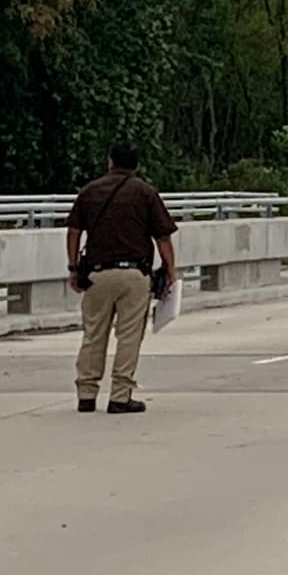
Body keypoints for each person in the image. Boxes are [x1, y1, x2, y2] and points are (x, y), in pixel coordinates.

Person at [66, 141, 178, 414]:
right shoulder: (146, 193)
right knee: (129, 336)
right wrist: (170, 271)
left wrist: (73, 267)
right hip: (134, 275)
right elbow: (162, 237)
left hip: (97, 274)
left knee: (94, 333)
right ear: (136, 165)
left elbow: (73, 231)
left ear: (110, 162)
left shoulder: (90, 191)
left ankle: (86, 393)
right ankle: (120, 395)